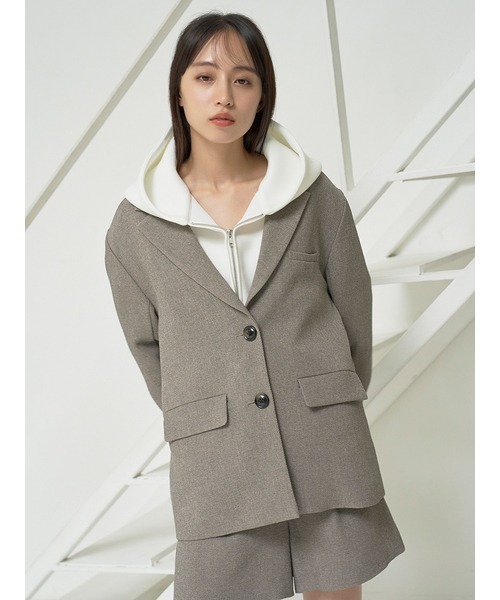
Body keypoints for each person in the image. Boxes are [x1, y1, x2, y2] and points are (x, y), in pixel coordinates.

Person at [105, 11, 404, 600]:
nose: (225, 95)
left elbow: (354, 316)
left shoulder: (313, 198)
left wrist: (325, 395)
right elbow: (149, 350)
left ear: (262, 94)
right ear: (178, 91)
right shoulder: (135, 227)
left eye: (243, 79)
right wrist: (212, 407)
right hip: (218, 458)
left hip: (323, 439)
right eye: (205, 77)